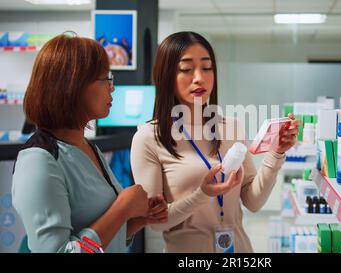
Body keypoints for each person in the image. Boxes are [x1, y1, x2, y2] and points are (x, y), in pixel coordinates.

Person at [130, 31, 300, 253]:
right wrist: (202, 195)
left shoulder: (230, 126)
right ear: (166, 76)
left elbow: (253, 202)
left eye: (207, 67)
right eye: (186, 69)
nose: (199, 77)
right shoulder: (148, 138)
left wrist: (276, 154)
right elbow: (155, 222)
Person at [12, 33, 168, 253]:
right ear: (72, 85)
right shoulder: (39, 159)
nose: (112, 87)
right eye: (105, 78)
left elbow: (102, 234)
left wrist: (139, 220)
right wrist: (122, 209)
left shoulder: (87, 147)